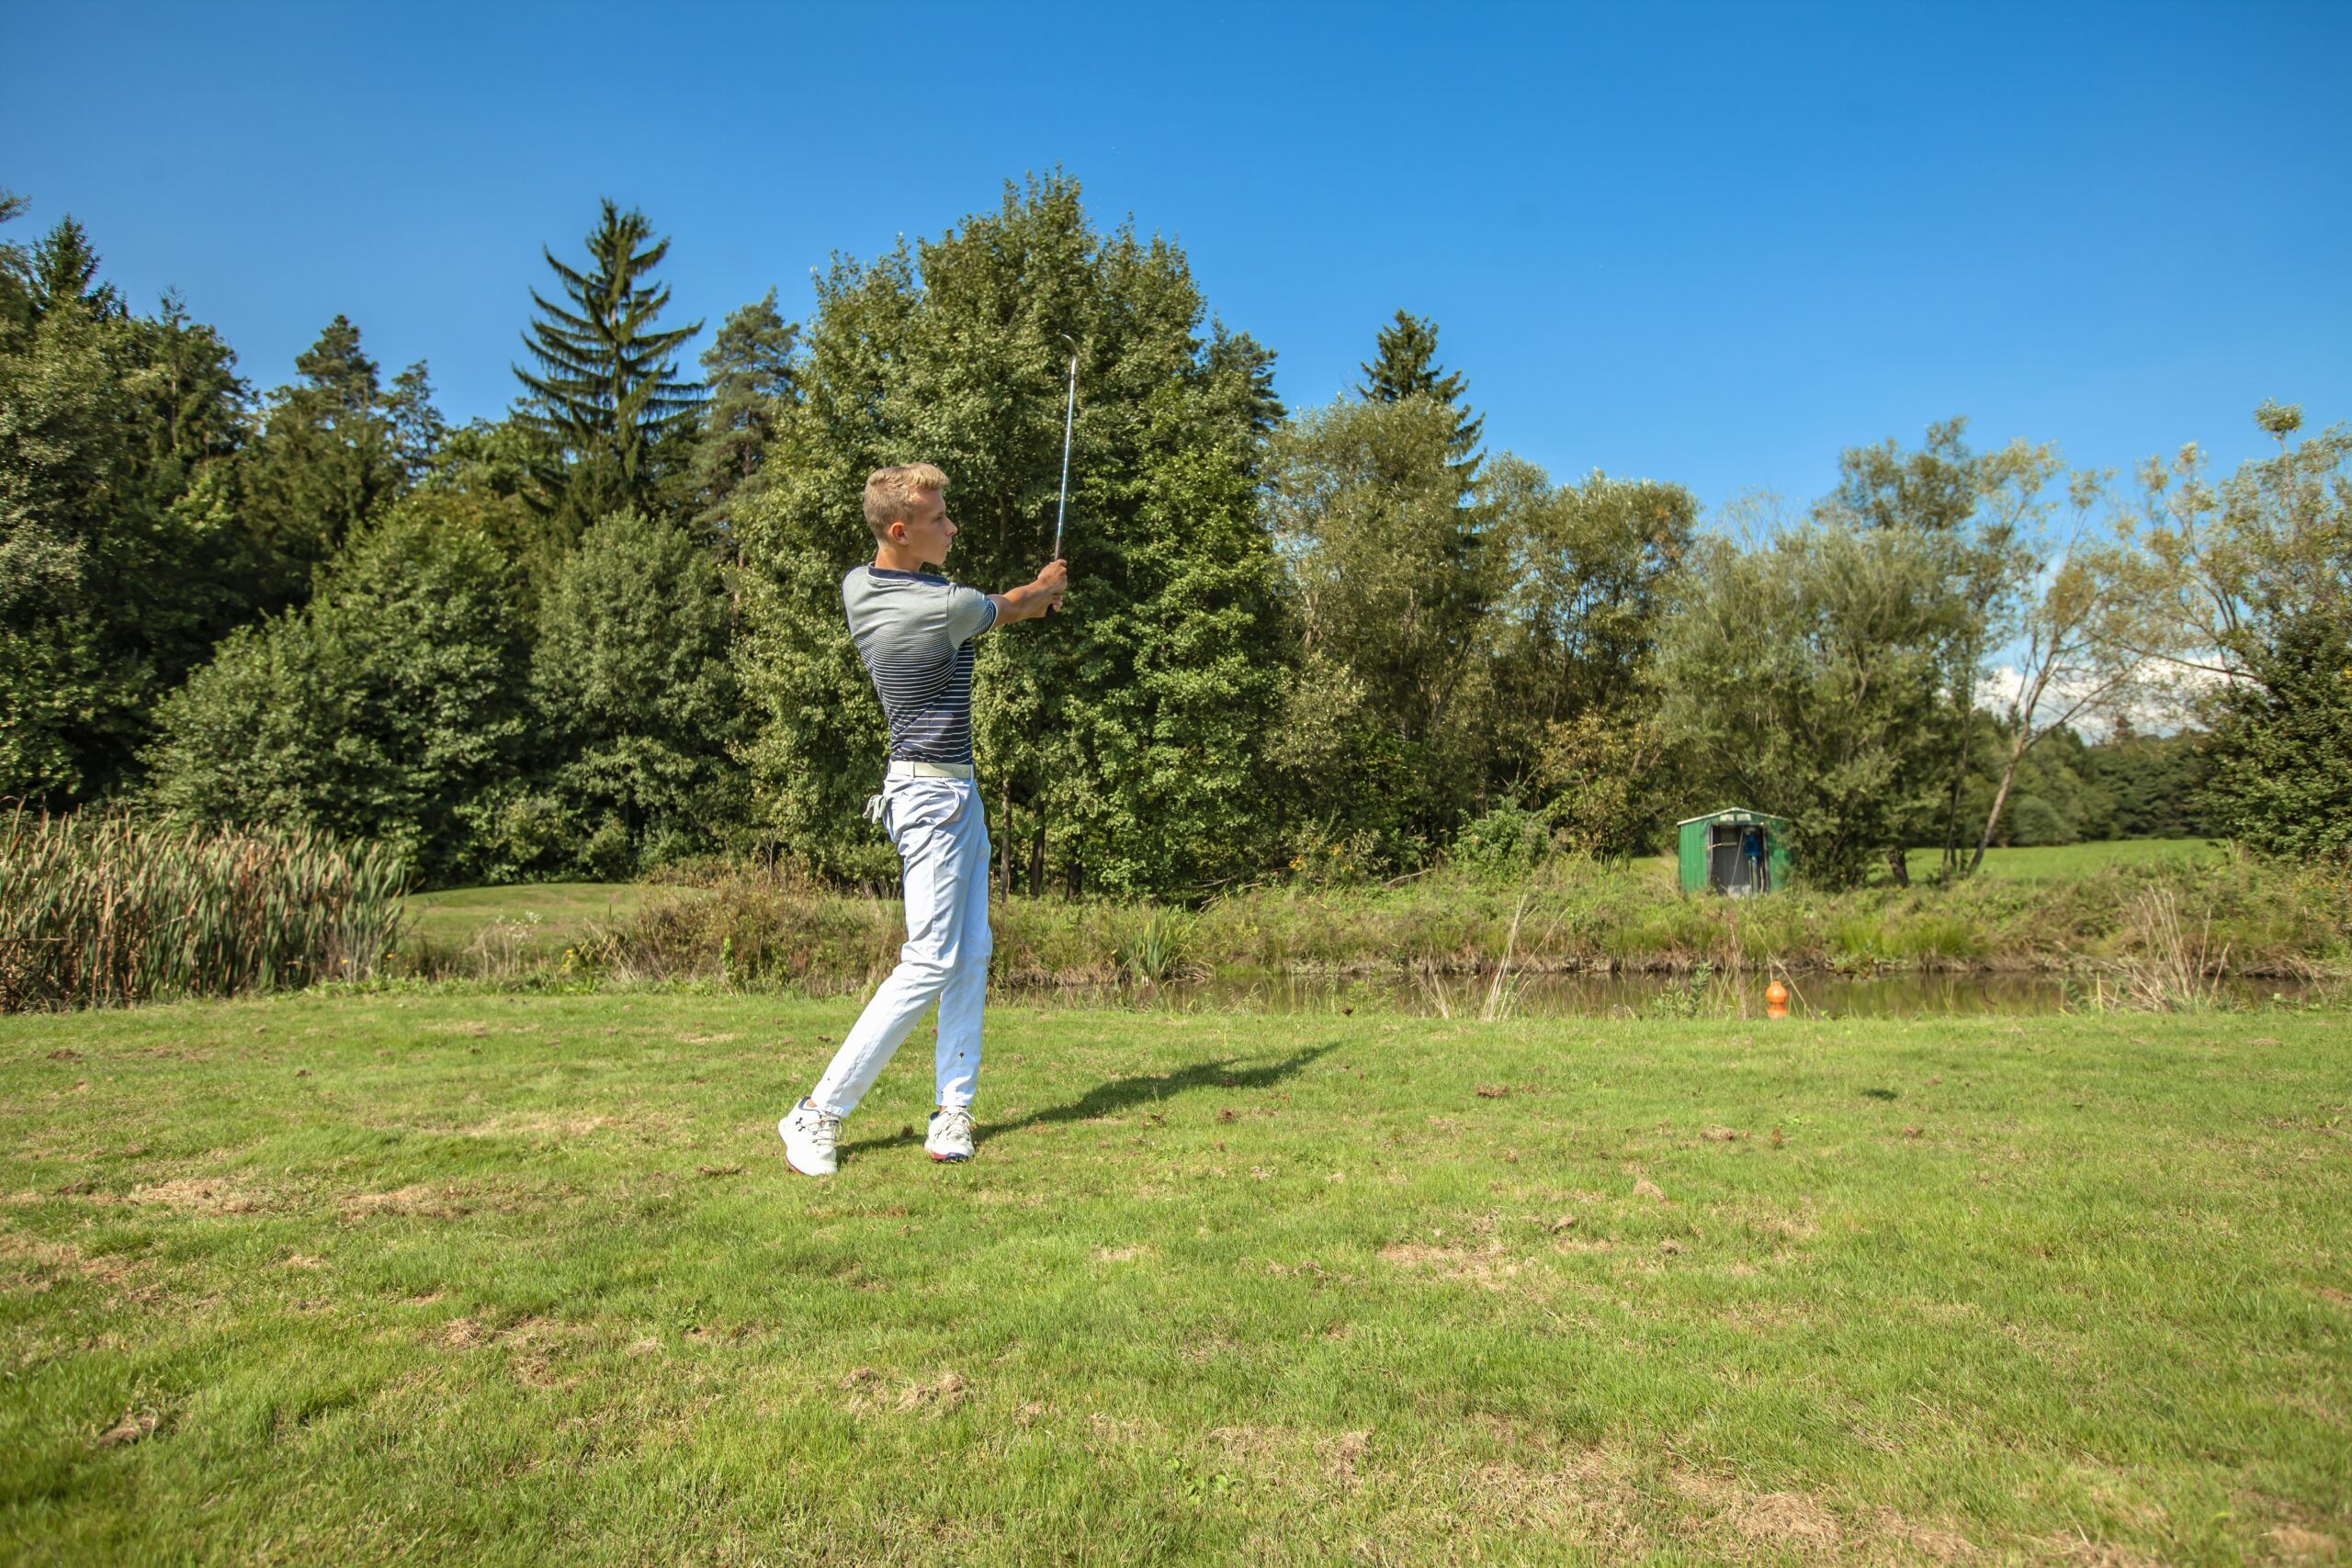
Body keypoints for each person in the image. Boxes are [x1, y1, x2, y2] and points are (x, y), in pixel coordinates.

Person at [780, 463, 1068, 1177]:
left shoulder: (860, 586)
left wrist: (1032, 595)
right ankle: (815, 1113)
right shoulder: (946, 608)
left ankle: (951, 1114)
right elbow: (1022, 603)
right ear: (900, 532)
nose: (953, 527)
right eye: (940, 519)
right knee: (931, 958)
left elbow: (993, 600)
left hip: (955, 794)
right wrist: (1049, 587)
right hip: (929, 799)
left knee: (973, 952)